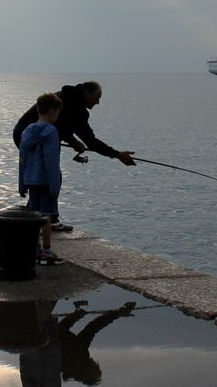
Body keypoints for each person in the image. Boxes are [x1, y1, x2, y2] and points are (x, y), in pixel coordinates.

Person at [13, 81, 136, 231]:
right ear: (87, 95)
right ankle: (45, 220)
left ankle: (37, 218)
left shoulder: (67, 98)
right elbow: (90, 140)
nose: (98, 103)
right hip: (29, 134)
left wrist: (72, 141)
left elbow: (60, 125)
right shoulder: (75, 108)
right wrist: (117, 155)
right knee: (50, 177)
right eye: (97, 98)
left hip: (23, 132)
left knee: (38, 177)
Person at [18, 92, 65, 266]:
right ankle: (46, 251)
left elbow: (22, 159)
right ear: (52, 112)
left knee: (34, 215)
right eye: (57, 114)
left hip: (30, 179)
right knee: (46, 216)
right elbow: (51, 160)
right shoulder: (51, 132)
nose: (57, 117)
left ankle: (35, 248)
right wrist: (55, 186)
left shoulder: (27, 131)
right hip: (45, 181)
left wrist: (21, 185)